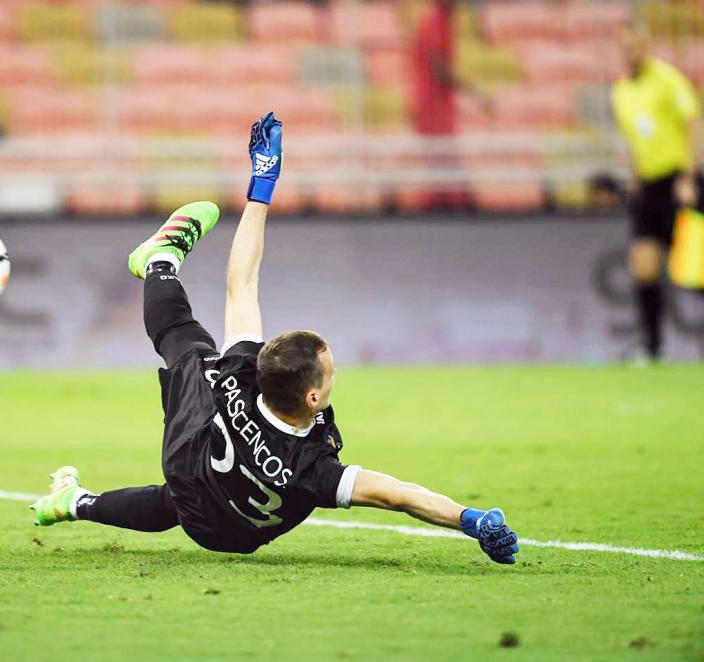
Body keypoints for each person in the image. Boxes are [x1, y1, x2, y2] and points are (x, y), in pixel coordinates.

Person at [29, 112, 520, 564]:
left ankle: (160, 264)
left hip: (191, 464)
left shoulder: (239, 377)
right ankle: (75, 503)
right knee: (182, 473)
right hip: (231, 534)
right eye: (330, 372)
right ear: (312, 396)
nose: (334, 374)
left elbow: (241, 282)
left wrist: (262, 187)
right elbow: (400, 495)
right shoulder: (314, 467)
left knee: (186, 343)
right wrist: (471, 521)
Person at [611, 21, 703, 360]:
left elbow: (691, 125)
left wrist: (688, 177)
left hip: (678, 182)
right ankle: (653, 349)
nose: (629, 52)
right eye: (624, 46)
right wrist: (633, 176)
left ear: (646, 45)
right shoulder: (620, 91)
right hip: (649, 186)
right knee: (643, 266)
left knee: (694, 269)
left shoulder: (668, 79)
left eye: (635, 45)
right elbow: (633, 138)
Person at [410, 0, 492, 211]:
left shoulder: (442, 22)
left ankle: (458, 200)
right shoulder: (435, 22)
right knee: (443, 159)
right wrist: (475, 93)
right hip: (432, 104)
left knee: (442, 161)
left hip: (436, 103)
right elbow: (440, 69)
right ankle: (457, 203)